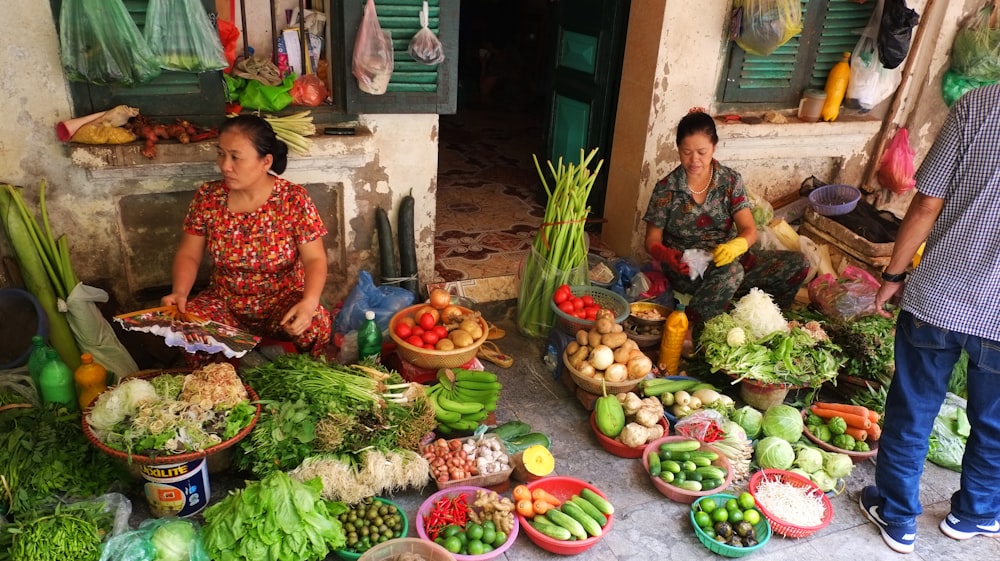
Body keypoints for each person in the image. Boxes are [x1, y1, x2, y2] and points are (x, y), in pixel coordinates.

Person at [861, 84, 1000, 554]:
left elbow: (926, 202)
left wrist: (893, 273)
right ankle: (976, 513)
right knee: (995, 422)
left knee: (913, 409)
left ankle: (897, 517)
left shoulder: (978, 106)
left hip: (939, 296)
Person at [162, 115, 332, 364]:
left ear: (266, 162)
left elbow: (315, 259)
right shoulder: (208, 197)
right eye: (221, 154)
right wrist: (180, 292)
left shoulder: (293, 199)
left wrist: (309, 301)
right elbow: (189, 253)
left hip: (281, 305)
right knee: (187, 329)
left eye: (235, 157)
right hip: (225, 303)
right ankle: (222, 392)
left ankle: (313, 374)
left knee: (316, 321)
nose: (225, 165)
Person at [642, 110, 809, 334]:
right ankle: (693, 330)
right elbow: (651, 240)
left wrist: (736, 245)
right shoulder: (667, 188)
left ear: (714, 147)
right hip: (687, 267)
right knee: (732, 273)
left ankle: (768, 324)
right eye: (687, 152)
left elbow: (749, 230)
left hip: (729, 259)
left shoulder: (730, 181)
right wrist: (665, 255)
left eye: (702, 152)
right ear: (678, 149)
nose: (694, 160)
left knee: (798, 264)